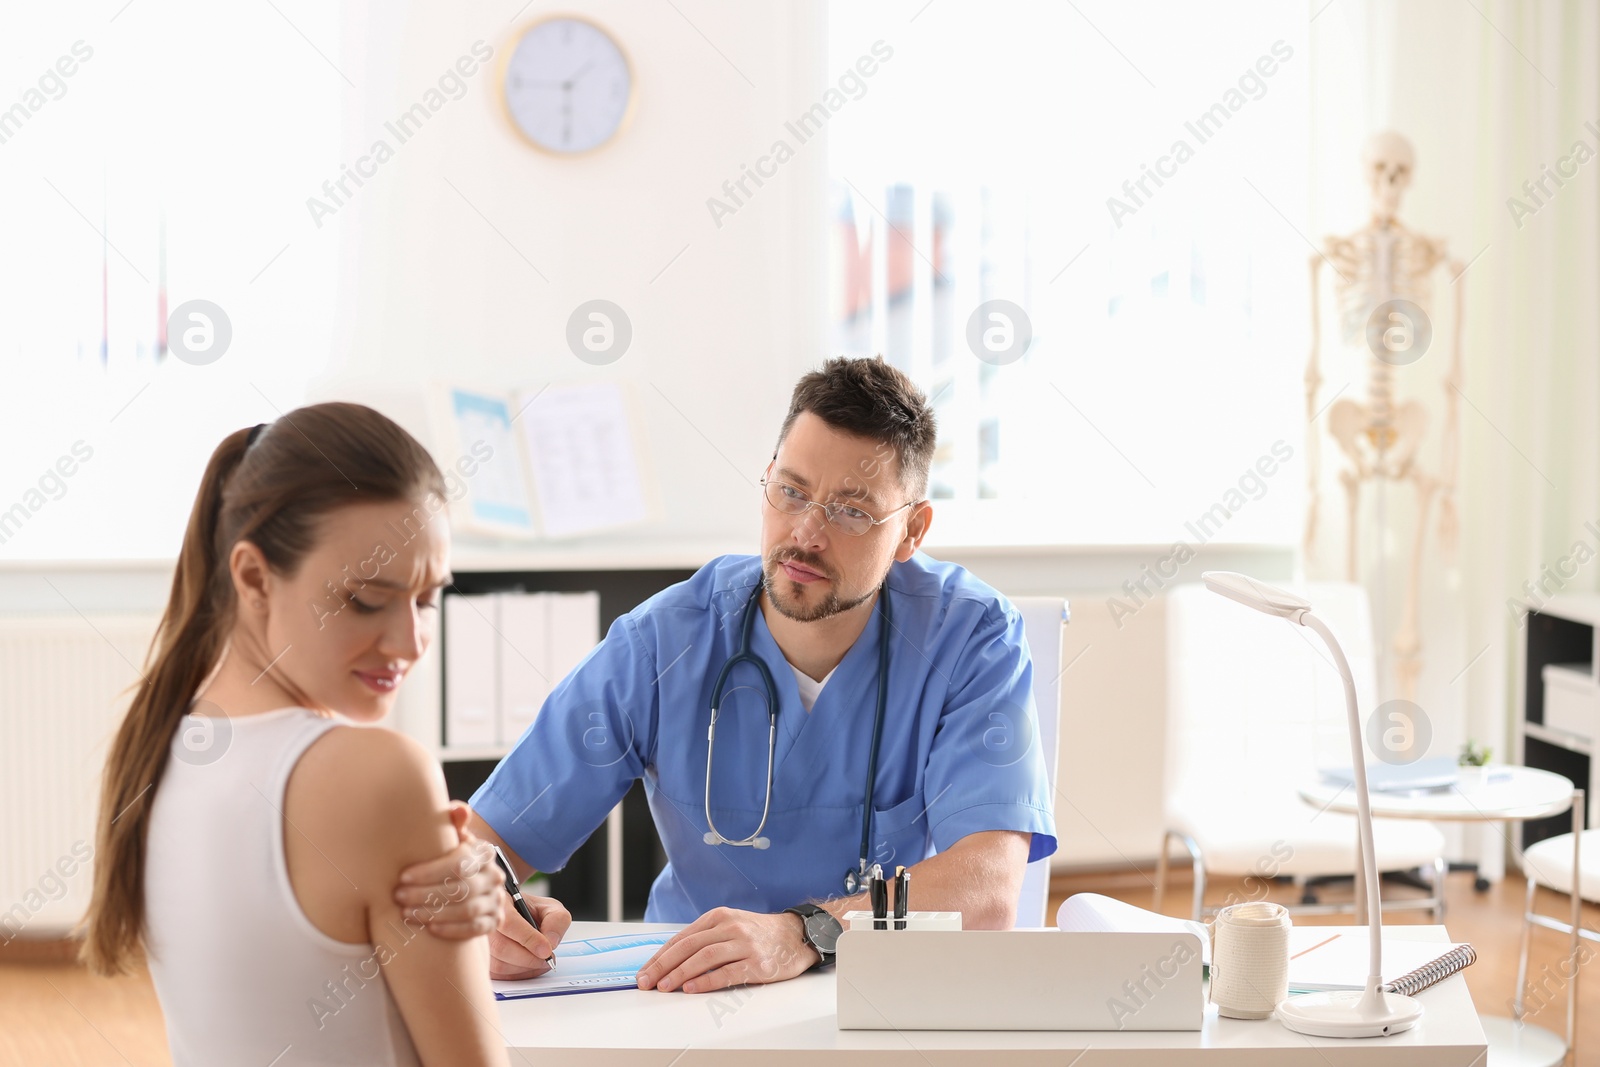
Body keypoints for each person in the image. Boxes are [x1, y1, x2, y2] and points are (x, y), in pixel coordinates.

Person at [398, 356, 1058, 994]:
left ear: (912, 530)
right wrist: (488, 914)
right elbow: (487, 842)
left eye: (852, 510)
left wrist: (806, 932)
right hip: (687, 994)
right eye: (791, 490)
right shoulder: (665, 642)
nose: (806, 532)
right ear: (767, 477)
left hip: (874, 989)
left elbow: (987, 889)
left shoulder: (971, 637)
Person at [82, 404, 510, 1067]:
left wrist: (480, 914)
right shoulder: (377, 773)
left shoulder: (163, 744)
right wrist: (471, 930)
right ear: (253, 576)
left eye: (426, 598)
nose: (410, 642)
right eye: (367, 599)